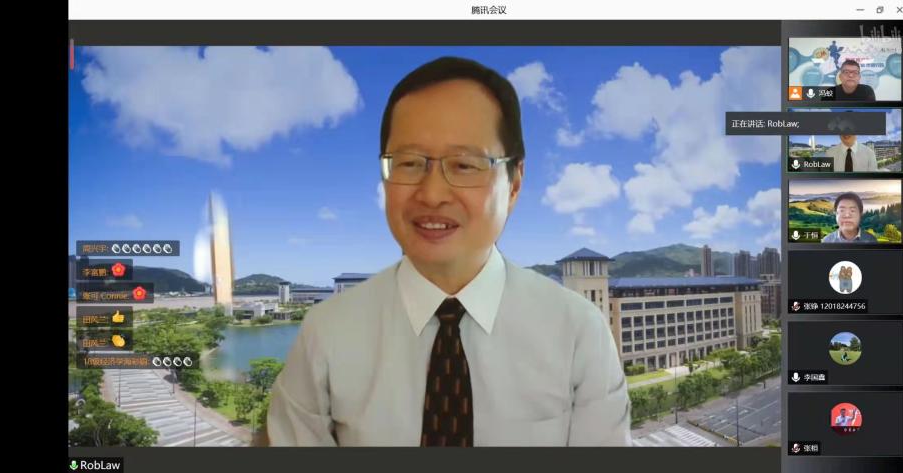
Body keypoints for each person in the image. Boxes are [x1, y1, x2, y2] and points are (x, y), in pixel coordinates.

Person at [266, 56, 631, 447]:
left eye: (464, 165)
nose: (432, 194)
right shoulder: (326, 332)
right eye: (409, 163)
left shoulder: (578, 331)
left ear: (514, 184)